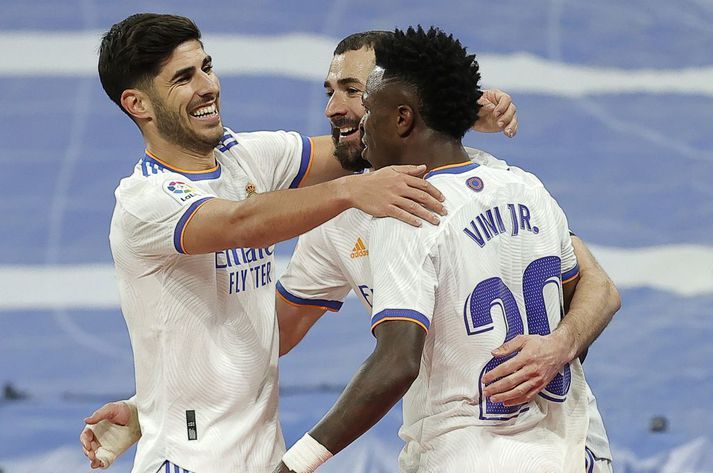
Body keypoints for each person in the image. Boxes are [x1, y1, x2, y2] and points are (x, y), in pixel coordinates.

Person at [81, 13, 518, 472]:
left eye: (206, 67)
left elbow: (356, 145)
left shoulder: (243, 157)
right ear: (138, 104)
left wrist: (455, 111)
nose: (207, 86)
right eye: (183, 78)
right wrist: (350, 190)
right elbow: (241, 223)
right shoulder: (144, 202)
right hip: (188, 460)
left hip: (261, 454)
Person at [273, 26, 615, 472]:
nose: (335, 109)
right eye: (330, 91)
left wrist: (293, 465)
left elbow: (397, 361)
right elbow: (272, 335)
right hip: (574, 452)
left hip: (469, 456)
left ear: (401, 112)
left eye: (358, 93)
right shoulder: (524, 185)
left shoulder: (406, 211)